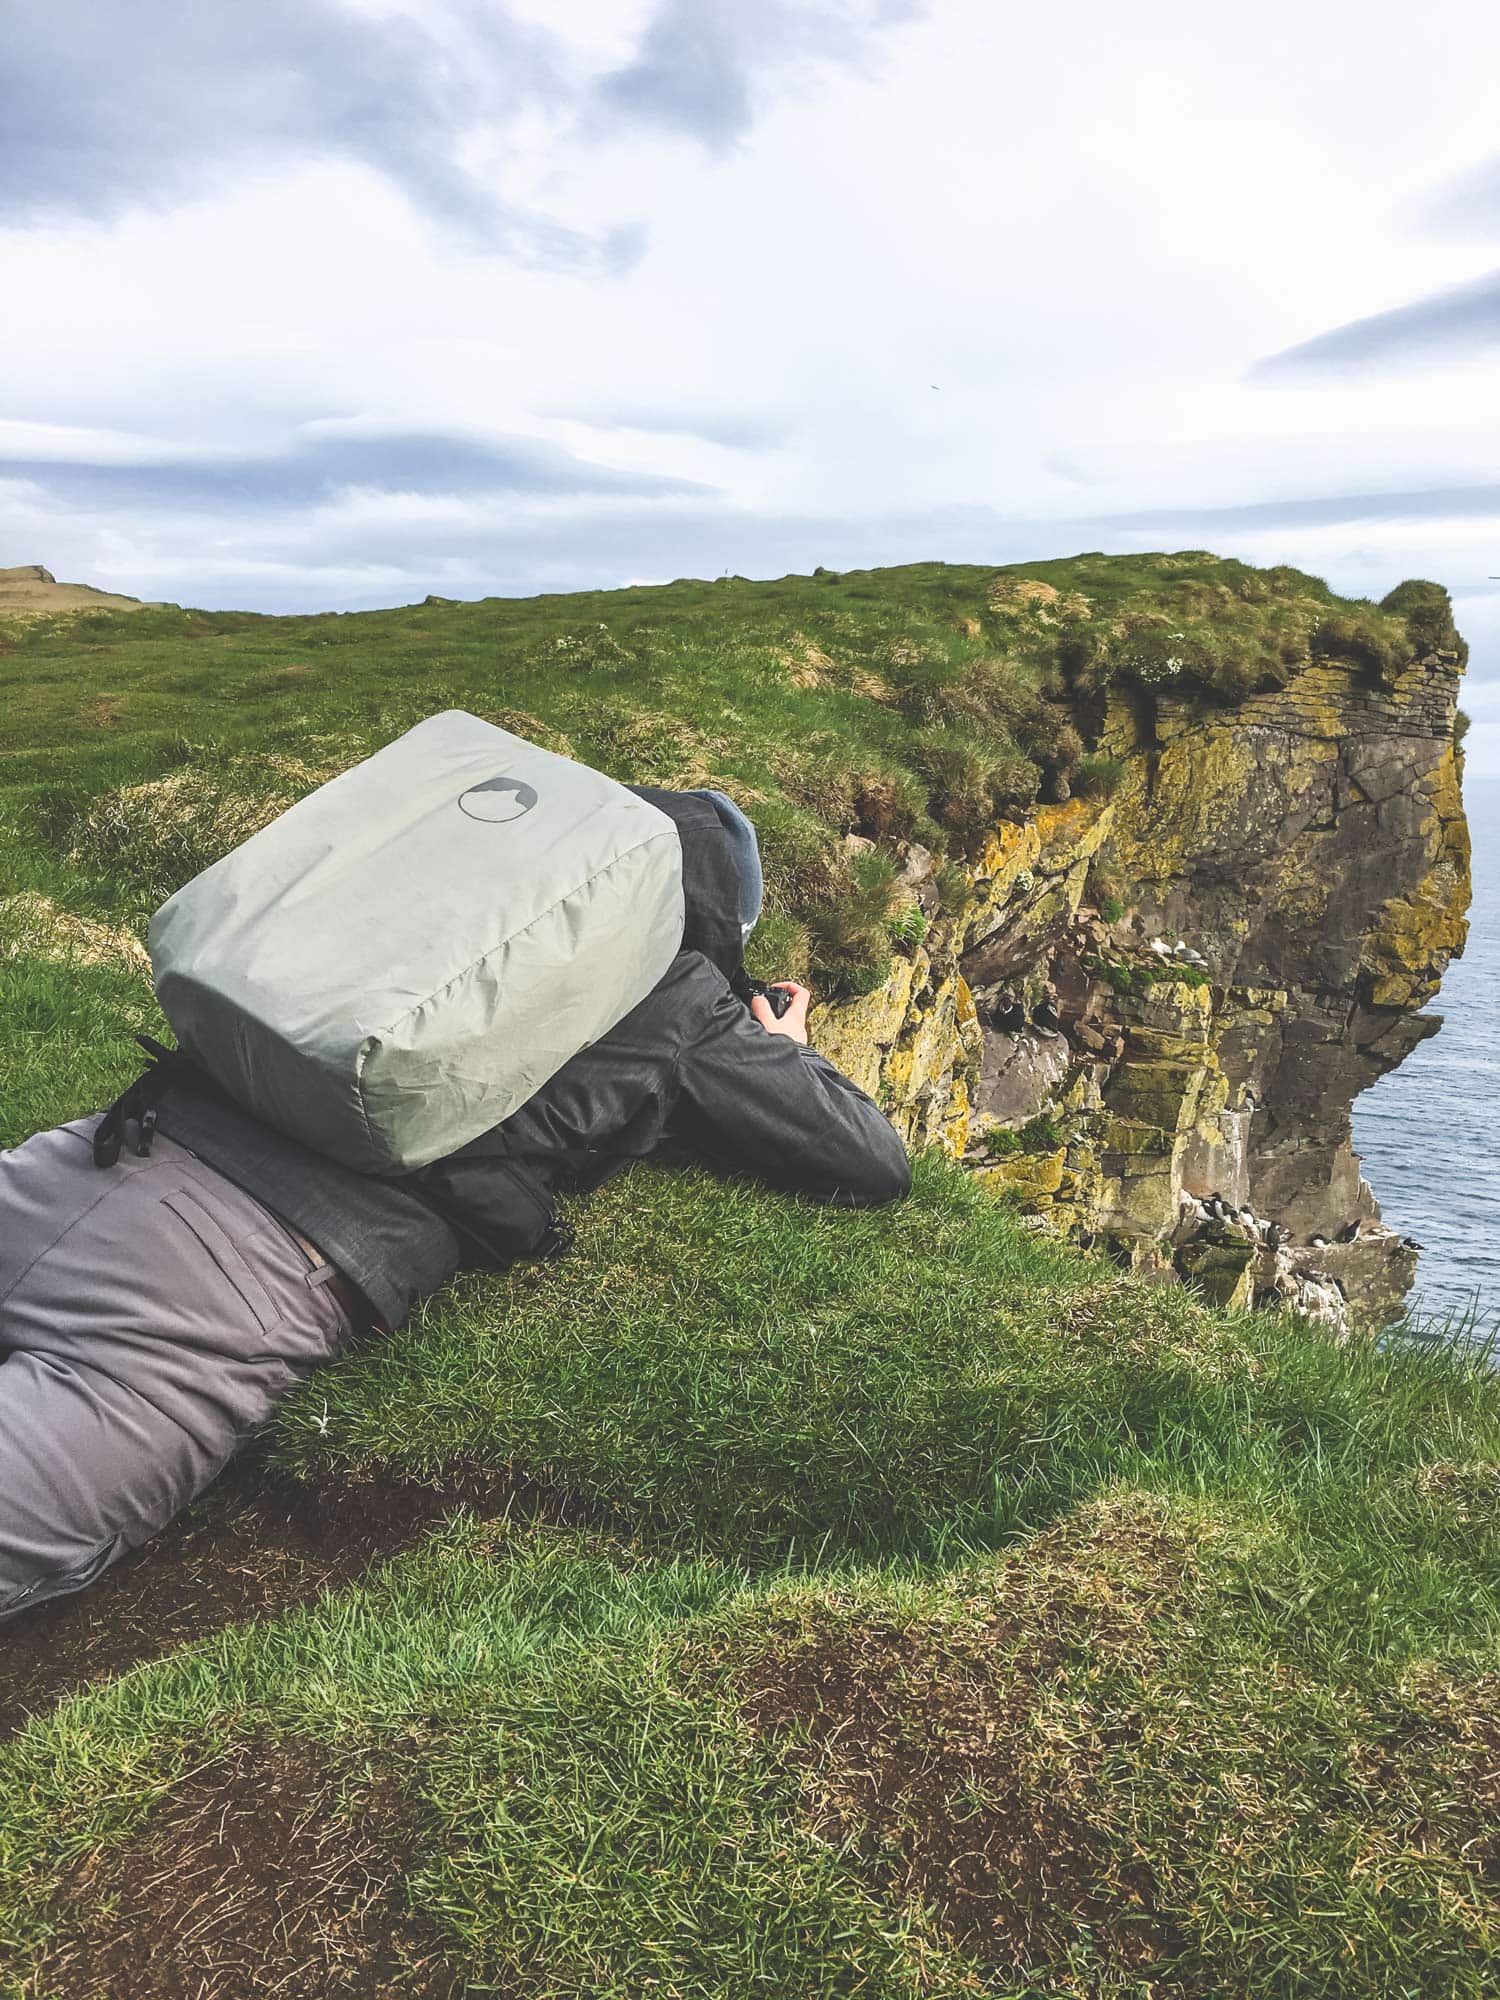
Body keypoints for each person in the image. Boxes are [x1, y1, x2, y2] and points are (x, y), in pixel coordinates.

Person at [0, 787, 911, 1622]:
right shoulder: (677, 994)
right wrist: (783, 1046)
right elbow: (869, 1162)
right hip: (213, 1293)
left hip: (84, 1161)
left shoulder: (426, 914)